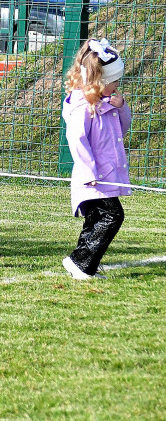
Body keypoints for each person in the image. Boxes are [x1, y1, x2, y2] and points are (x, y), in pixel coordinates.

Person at [61, 38, 130, 280]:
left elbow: (123, 129)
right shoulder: (83, 106)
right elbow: (76, 139)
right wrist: (88, 172)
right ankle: (81, 262)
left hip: (107, 175)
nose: (117, 85)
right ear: (100, 81)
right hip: (93, 177)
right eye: (114, 82)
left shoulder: (106, 103)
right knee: (113, 216)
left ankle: (82, 263)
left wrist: (121, 108)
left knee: (95, 220)